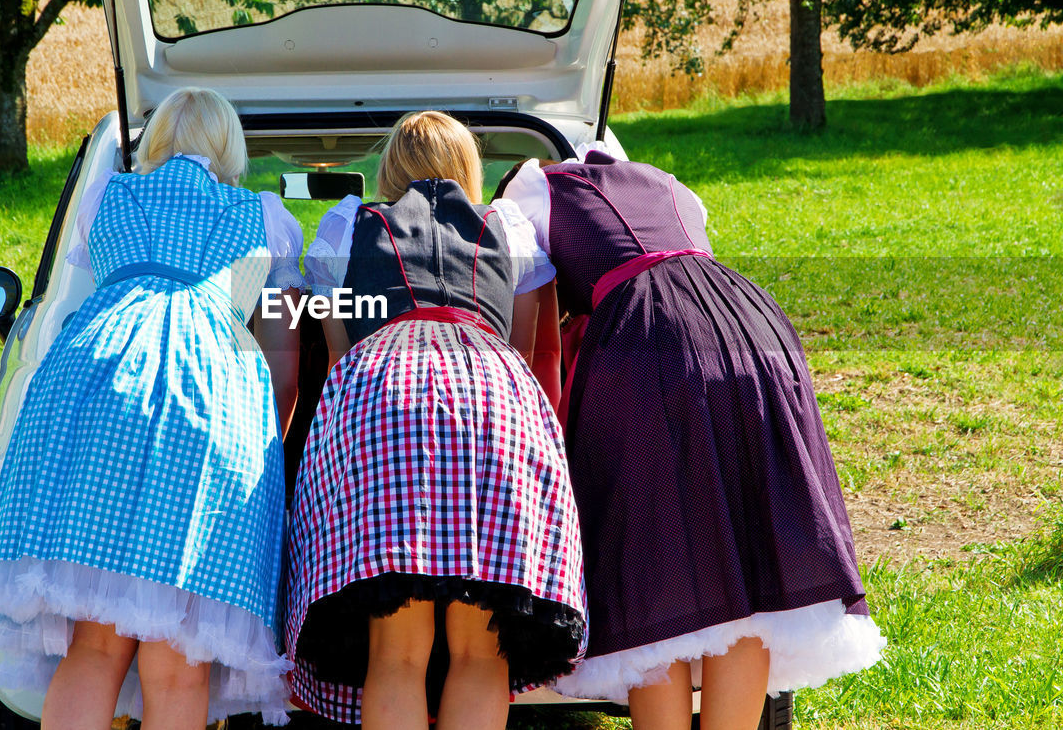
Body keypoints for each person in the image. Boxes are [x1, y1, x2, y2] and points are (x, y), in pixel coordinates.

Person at [0, 88, 303, 729]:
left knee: (95, 646)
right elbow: (281, 363)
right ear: (230, 147)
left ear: (156, 139)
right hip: (208, 410)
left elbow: (86, 290)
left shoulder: (110, 197)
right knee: (177, 665)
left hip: (98, 387)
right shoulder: (266, 219)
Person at [499, 147, 886, 730]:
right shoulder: (668, 184)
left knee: (651, 569)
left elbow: (535, 329)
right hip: (749, 329)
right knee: (747, 567)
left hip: (650, 340)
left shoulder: (530, 193)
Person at [283, 111, 587, 730]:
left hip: (380, 393)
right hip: (494, 396)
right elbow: (530, 350)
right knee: (482, 652)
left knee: (395, 653)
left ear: (390, 167)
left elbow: (340, 355)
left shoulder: (347, 224)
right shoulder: (508, 225)